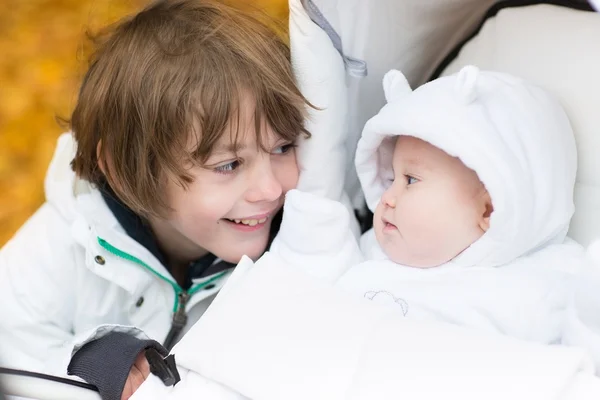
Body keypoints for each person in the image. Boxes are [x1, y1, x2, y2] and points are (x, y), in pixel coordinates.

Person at [0, 0, 326, 398]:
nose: (272, 189)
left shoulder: (305, 245)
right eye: (228, 165)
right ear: (123, 169)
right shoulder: (57, 251)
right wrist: (89, 362)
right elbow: (11, 355)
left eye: (282, 148)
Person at [269, 65, 600, 362]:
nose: (388, 196)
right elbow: (302, 297)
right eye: (391, 178)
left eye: (410, 180)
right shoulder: (369, 251)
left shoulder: (540, 286)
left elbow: (577, 363)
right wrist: (312, 222)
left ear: (489, 208)